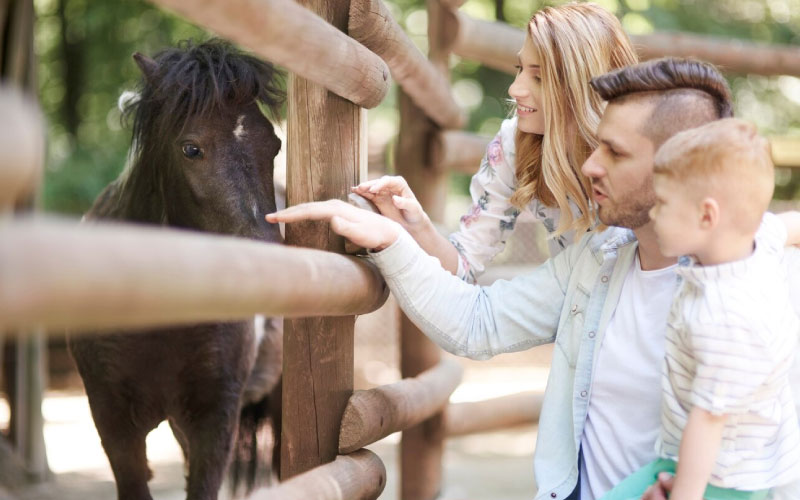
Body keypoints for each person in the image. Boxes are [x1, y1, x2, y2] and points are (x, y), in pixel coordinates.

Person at [268, 57, 742, 500]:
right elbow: (479, 322)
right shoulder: (599, 259)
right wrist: (390, 240)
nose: (591, 165)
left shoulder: (749, 295)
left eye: (615, 153)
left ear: (677, 171)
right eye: (597, 145)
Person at [353, 2, 638, 283]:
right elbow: (463, 264)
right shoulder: (513, 144)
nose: (515, 89)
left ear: (582, 85)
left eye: (539, 77)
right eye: (520, 68)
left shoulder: (641, 148)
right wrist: (416, 224)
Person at [600, 119, 800, 500]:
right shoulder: (761, 240)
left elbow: (708, 424)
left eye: (663, 203)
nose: (652, 214)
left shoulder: (724, 317)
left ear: (708, 216)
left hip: (721, 478)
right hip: (712, 462)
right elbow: (793, 224)